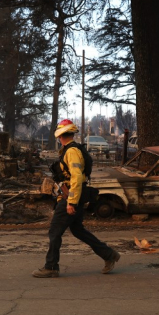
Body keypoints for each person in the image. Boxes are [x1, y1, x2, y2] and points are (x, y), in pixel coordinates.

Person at [33, 119, 120, 278]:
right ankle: (109, 255)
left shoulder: (71, 152)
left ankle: (51, 267)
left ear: (60, 136)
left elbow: (77, 178)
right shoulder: (71, 149)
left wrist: (71, 202)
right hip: (74, 195)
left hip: (70, 196)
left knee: (55, 232)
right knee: (78, 230)